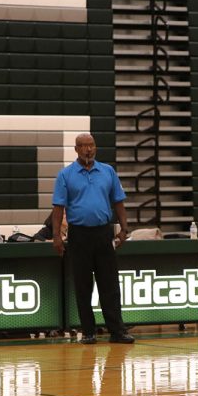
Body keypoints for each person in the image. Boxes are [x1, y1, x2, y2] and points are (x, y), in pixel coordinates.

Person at [52, 133, 134, 345]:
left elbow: (119, 202)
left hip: (103, 233)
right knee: (83, 285)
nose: (89, 149)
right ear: (76, 149)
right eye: (84, 146)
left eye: (92, 145)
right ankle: (88, 331)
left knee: (110, 284)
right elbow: (58, 208)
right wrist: (56, 237)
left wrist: (124, 229)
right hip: (79, 235)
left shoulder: (107, 171)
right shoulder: (65, 175)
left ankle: (117, 330)